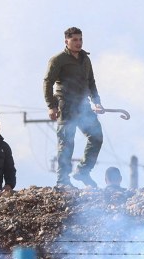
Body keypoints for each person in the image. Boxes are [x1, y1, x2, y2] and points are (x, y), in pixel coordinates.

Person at [43, 27, 104, 187]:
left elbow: (91, 82)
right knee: (66, 142)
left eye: (80, 39)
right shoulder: (58, 60)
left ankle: (83, 171)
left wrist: (96, 102)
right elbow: (48, 82)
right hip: (66, 106)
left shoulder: (85, 59)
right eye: (75, 40)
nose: (78, 43)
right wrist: (51, 106)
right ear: (67, 41)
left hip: (83, 106)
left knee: (96, 137)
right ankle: (63, 180)